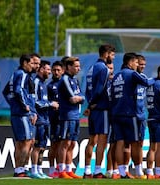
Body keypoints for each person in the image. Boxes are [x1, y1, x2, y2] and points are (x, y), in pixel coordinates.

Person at [110, 52, 155, 179]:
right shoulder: (132, 73)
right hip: (131, 114)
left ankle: (122, 172)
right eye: (136, 62)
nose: (137, 65)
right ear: (130, 63)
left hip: (116, 113)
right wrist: (157, 79)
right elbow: (146, 82)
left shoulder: (116, 76)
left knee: (120, 142)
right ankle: (139, 172)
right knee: (135, 143)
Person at [84, 44, 116, 178]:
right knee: (102, 140)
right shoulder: (103, 68)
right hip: (101, 108)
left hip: (93, 109)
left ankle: (87, 171)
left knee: (92, 140)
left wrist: (89, 104)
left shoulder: (91, 68)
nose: (113, 58)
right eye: (112, 55)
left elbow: (87, 89)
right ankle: (97, 171)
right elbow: (100, 89)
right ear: (107, 53)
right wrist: (93, 103)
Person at [2, 54, 37, 177]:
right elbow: (18, 90)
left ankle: (19, 170)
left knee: (20, 142)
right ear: (25, 63)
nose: (33, 66)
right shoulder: (22, 74)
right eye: (31, 63)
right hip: (22, 114)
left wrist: (13, 104)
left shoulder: (15, 74)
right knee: (27, 141)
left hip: (17, 112)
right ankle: (21, 169)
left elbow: (6, 91)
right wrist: (24, 105)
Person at [57, 57, 85, 179]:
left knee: (72, 143)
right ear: (68, 67)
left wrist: (80, 98)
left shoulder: (75, 80)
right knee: (65, 143)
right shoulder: (65, 79)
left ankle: (69, 170)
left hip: (75, 116)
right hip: (67, 115)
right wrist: (79, 98)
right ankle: (61, 170)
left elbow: (81, 97)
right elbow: (74, 98)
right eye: (76, 66)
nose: (79, 68)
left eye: (79, 66)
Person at [30, 60, 58, 179]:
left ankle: (40, 170)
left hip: (45, 119)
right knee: (37, 146)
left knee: (42, 146)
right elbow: (35, 101)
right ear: (41, 70)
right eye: (47, 69)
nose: (49, 72)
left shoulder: (43, 83)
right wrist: (50, 104)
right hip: (39, 119)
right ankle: (34, 170)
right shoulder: (36, 82)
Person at [132, 54, 149, 179]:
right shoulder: (130, 77)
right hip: (131, 116)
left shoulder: (144, 78)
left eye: (144, 65)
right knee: (130, 143)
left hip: (142, 116)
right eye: (140, 64)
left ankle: (138, 170)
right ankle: (119, 170)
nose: (142, 67)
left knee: (140, 143)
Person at [47, 61, 64, 178]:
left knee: (63, 145)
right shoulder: (49, 86)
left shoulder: (65, 84)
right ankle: (51, 169)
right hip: (54, 119)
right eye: (54, 70)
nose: (56, 72)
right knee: (54, 145)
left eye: (58, 70)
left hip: (64, 119)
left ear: (63, 71)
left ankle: (60, 168)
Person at [105, 62, 120, 179]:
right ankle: (109, 169)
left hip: (116, 115)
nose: (111, 71)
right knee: (110, 144)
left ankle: (115, 169)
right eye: (108, 68)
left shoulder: (115, 82)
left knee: (116, 143)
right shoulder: (103, 83)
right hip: (107, 115)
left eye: (112, 68)